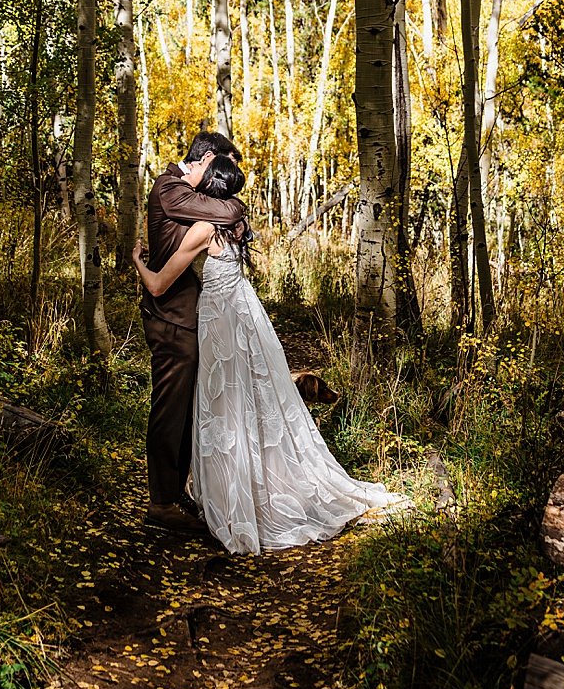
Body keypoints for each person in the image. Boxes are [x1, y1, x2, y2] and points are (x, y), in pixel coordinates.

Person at [134, 155, 403, 553]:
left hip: (219, 323)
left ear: (209, 189)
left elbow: (158, 286)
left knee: (223, 405)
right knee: (253, 399)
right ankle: (253, 484)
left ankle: (229, 495)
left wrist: (138, 261)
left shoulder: (205, 228)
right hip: (245, 315)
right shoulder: (234, 225)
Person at [141, 131, 247, 533]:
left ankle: (174, 491)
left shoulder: (185, 193)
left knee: (186, 410)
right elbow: (229, 212)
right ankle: (160, 504)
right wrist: (235, 201)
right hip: (169, 319)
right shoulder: (170, 188)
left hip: (184, 316)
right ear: (205, 160)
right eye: (223, 166)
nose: (225, 174)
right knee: (169, 411)